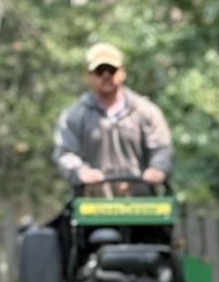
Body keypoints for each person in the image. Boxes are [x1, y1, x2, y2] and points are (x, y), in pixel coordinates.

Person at [52, 42, 174, 191]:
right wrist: (81, 171)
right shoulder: (74, 115)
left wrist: (157, 168)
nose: (106, 76)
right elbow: (65, 152)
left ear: (122, 72)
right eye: (99, 70)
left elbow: (161, 148)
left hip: (140, 205)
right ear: (89, 76)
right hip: (92, 205)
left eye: (111, 70)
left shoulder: (146, 111)